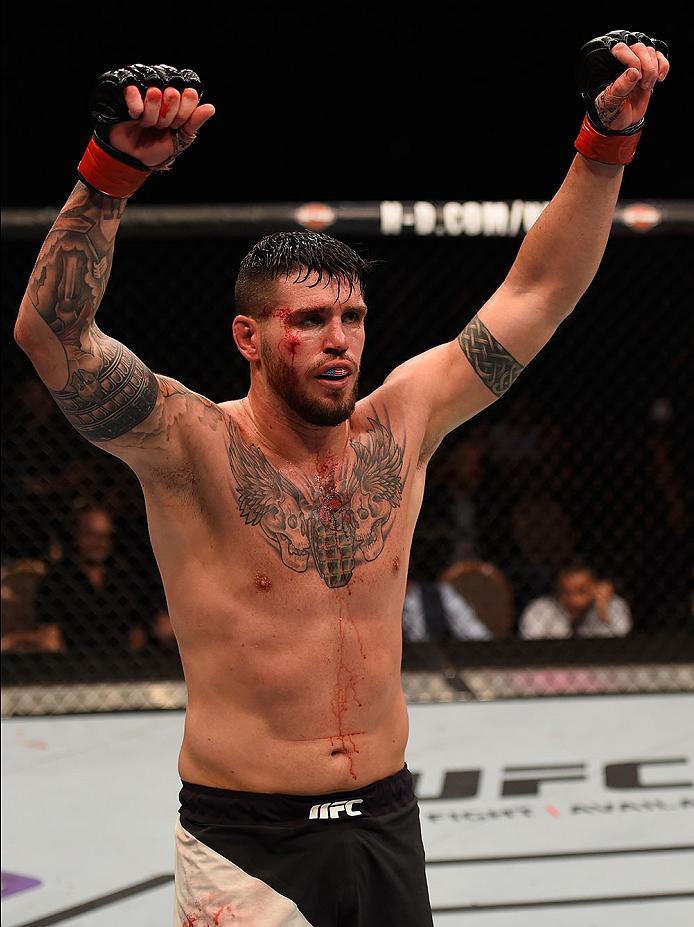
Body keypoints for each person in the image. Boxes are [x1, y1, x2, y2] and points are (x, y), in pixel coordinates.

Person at [12, 36, 669, 927]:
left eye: (352, 317)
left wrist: (606, 141)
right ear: (249, 337)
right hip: (247, 842)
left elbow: (538, 292)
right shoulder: (189, 442)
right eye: (311, 319)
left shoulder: (403, 424)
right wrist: (109, 175)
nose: (340, 340)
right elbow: (55, 341)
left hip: (386, 819)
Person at [519, 560, 633, 639]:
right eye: (565, 592)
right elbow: (531, 644)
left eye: (581, 591)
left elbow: (621, 640)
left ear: (596, 586)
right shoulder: (540, 609)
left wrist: (602, 611)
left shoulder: (613, 606)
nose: (573, 599)